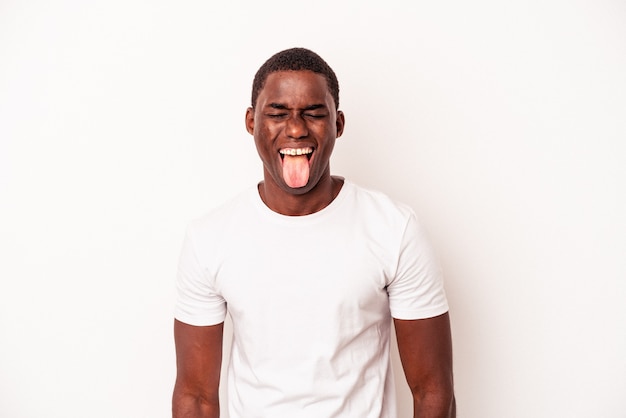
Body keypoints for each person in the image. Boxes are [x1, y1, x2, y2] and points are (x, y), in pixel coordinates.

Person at [172, 47, 456, 418]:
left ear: (338, 124)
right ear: (251, 121)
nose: (295, 129)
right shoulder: (209, 238)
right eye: (277, 113)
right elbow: (195, 396)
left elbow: (433, 391)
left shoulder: (394, 229)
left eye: (314, 113)